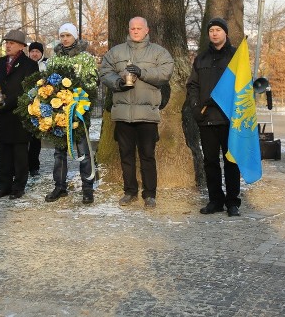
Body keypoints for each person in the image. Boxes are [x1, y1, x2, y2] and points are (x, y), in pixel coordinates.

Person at [100, 16, 174, 209]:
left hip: (147, 114)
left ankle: (150, 194)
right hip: (123, 113)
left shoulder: (159, 53)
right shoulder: (116, 52)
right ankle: (129, 191)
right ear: (128, 29)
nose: (135, 31)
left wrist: (142, 72)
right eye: (132, 28)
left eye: (139, 28)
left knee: (147, 155)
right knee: (126, 155)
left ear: (147, 30)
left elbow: (165, 74)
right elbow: (104, 71)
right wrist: (117, 83)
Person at [186, 17, 241, 217]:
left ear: (225, 33)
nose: (214, 33)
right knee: (210, 162)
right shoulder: (201, 58)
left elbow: (243, 85)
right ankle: (215, 200)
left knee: (231, 161)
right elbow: (192, 85)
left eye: (218, 29)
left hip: (229, 119)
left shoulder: (236, 57)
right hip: (206, 118)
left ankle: (233, 202)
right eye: (211, 30)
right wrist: (194, 107)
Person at [44, 23, 99, 205]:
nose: (65, 39)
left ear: (75, 36)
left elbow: (92, 84)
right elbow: (47, 85)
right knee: (59, 152)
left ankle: (87, 188)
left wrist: (78, 102)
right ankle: (60, 186)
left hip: (78, 113)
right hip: (58, 113)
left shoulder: (86, 58)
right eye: (62, 36)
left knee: (83, 151)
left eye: (68, 35)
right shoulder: (53, 60)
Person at [0, 29, 39, 199]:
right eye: (6, 43)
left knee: (19, 154)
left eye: (11, 43)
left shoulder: (30, 64)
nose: (8, 45)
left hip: (19, 114)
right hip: (2, 114)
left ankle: (18, 187)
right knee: (3, 153)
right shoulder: (1, 62)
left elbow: (26, 91)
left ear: (21, 46)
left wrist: (5, 102)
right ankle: (3, 186)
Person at [26, 40, 47, 176]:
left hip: (39, 104)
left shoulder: (46, 65)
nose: (34, 54)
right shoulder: (25, 64)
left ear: (41, 53)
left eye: (37, 51)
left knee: (35, 139)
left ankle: (34, 166)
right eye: (32, 51)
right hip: (26, 104)